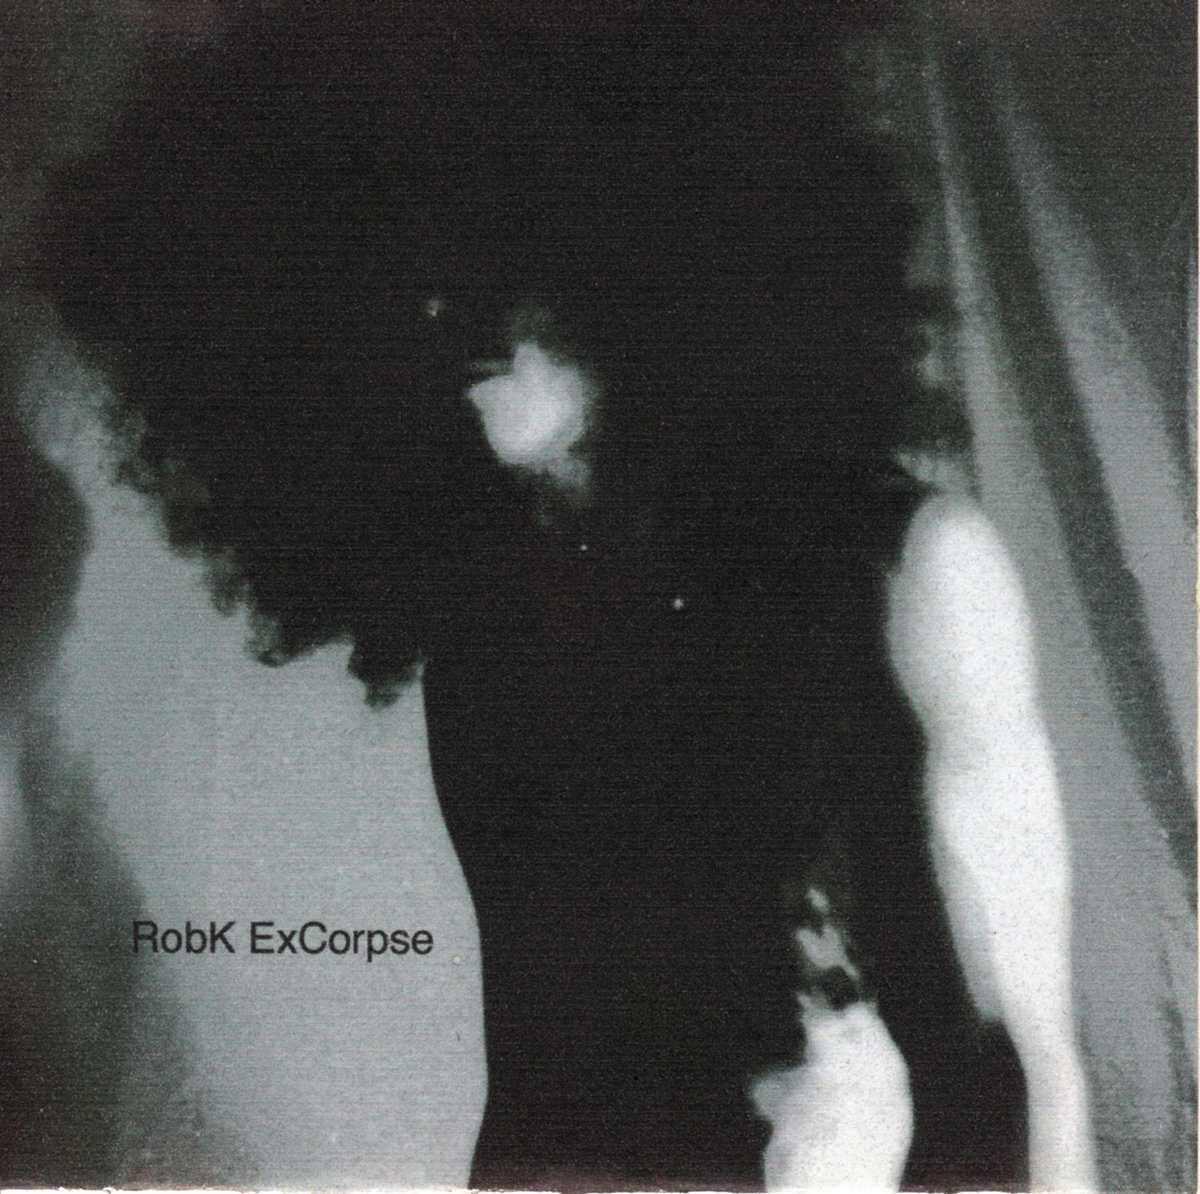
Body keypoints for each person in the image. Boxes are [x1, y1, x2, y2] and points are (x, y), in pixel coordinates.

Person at [33, 5, 1094, 1188]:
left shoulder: (922, 570)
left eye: (507, 263)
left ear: (651, 247)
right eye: (421, 267)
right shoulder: (488, 616)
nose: (455, 317)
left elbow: (1043, 1073)